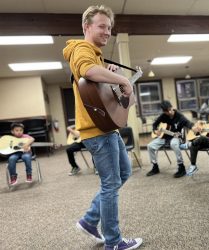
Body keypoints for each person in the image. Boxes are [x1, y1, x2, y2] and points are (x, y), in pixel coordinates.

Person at [63, 5, 142, 250]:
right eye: (102, 26)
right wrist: (121, 80)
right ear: (87, 27)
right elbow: (86, 69)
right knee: (110, 184)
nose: (107, 31)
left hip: (107, 128)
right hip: (97, 131)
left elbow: (94, 81)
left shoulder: (95, 53)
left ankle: (89, 220)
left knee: (124, 172)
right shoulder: (81, 49)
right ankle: (114, 242)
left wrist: (110, 75)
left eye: (109, 27)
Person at [147, 100, 197, 178]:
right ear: (164, 111)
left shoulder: (179, 116)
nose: (169, 112)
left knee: (173, 144)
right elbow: (155, 124)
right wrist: (155, 130)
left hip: (177, 137)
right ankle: (155, 166)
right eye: (167, 111)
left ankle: (181, 167)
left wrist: (193, 127)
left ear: (171, 107)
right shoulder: (163, 116)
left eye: (170, 109)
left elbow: (188, 123)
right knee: (150, 146)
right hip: (165, 137)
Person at [182, 110, 209, 176]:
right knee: (194, 146)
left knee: (202, 138)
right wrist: (199, 124)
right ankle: (193, 166)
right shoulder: (208, 125)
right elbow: (200, 128)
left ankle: (190, 144)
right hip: (207, 142)